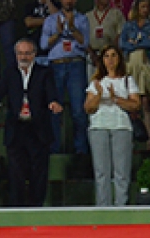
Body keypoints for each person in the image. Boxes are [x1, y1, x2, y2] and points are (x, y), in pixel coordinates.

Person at [0, 39, 63, 207]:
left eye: (27, 53)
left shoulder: (44, 72)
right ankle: (17, 208)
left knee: (39, 172)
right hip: (16, 129)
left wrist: (53, 102)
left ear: (34, 54)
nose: (24, 57)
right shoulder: (10, 72)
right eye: (20, 53)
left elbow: (52, 92)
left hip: (38, 130)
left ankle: (37, 207)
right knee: (16, 173)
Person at [85, 44, 140, 206]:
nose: (110, 59)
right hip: (99, 127)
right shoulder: (96, 82)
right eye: (106, 56)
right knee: (102, 171)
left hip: (121, 127)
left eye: (113, 55)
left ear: (119, 58)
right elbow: (89, 107)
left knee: (121, 172)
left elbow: (135, 105)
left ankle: (121, 205)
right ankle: (103, 206)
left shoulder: (127, 80)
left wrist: (116, 98)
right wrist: (100, 95)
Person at [42, 0, 90, 154]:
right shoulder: (50, 20)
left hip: (76, 64)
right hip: (56, 64)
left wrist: (73, 28)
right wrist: (58, 32)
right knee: (55, 109)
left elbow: (85, 43)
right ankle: (54, 149)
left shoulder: (82, 19)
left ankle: (81, 149)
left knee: (78, 110)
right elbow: (43, 45)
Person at [120, 0, 150, 148]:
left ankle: (149, 140)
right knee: (131, 102)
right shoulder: (128, 25)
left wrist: (135, 43)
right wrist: (139, 42)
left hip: (146, 63)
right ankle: (133, 141)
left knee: (146, 102)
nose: (145, 9)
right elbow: (122, 43)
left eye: (147, 7)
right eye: (142, 6)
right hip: (131, 64)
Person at [87, 0, 125, 78]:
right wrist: (92, 54)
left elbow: (120, 34)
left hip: (111, 55)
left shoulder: (116, 13)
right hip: (93, 56)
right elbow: (84, 37)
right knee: (93, 84)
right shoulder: (88, 16)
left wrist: (109, 52)